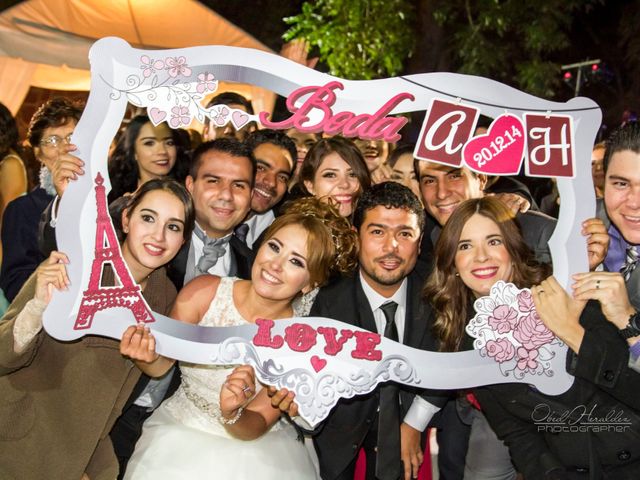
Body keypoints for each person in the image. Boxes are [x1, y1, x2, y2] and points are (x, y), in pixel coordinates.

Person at [123, 197, 358, 480]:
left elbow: (257, 422)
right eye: (274, 247)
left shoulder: (299, 344)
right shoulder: (204, 291)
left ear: (311, 283)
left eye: (296, 261)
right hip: (176, 433)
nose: (275, 265)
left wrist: (232, 413)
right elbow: (162, 364)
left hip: (256, 457)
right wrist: (145, 356)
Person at [425, 197, 640, 479]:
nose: (481, 257)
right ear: (452, 261)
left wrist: (570, 330)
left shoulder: (563, 290)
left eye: (494, 241)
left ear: (513, 248)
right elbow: (517, 433)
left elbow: (628, 382)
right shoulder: (469, 341)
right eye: (466, 246)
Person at [0, 178, 194, 480]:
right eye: (148, 218)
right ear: (126, 219)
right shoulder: (74, 266)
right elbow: (3, 356)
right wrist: (37, 307)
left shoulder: (166, 297)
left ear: (183, 240)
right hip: (20, 440)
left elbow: (134, 383)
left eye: (173, 226)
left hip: (83, 453)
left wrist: (93, 463)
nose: (158, 235)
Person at [310, 182, 446, 480]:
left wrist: (414, 422)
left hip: (417, 427)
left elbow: (448, 358)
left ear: (420, 243)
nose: (391, 247)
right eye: (377, 232)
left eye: (405, 234)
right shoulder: (328, 299)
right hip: (339, 434)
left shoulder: (438, 292)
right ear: (356, 237)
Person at [0, 97, 82, 303]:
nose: (64, 148)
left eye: (72, 137)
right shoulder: (22, 210)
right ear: (38, 153)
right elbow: (13, 284)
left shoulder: (109, 201)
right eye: (52, 140)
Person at [167, 138, 256, 288]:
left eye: (239, 185)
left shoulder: (254, 267)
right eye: (214, 181)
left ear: (251, 197)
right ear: (190, 185)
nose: (226, 195)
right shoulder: (157, 240)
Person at [107, 114, 189, 203]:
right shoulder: (114, 201)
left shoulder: (190, 195)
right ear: (133, 151)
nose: (162, 151)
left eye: (169, 143)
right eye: (149, 143)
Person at [242, 129, 297, 247]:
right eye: (261, 168)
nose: (271, 183)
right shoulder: (198, 214)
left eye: (282, 177)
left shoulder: (283, 230)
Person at [299, 136, 371, 218]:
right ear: (310, 185)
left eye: (352, 174)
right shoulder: (298, 229)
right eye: (330, 175)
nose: (345, 184)